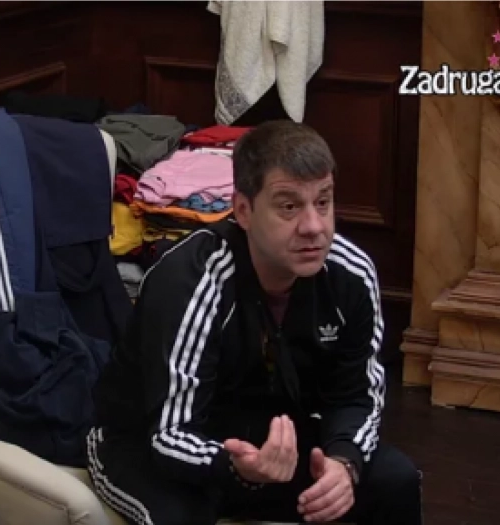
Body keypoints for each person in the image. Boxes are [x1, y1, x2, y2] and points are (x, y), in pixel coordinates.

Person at [87, 120, 422, 525]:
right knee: (180, 517)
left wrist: (343, 462)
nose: (314, 227)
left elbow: (358, 397)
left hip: (266, 442)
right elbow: (170, 433)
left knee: (395, 481)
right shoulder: (191, 281)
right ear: (243, 211)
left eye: (323, 202)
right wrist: (236, 467)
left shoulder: (350, 274)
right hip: (149, 444)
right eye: (289, 207)